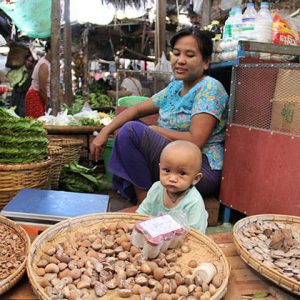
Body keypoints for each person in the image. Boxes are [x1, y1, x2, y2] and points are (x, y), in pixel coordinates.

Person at [91, 27, 229, 205]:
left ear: (206, 62)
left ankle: (146, 205)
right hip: (173, 161)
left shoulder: (210, 88)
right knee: (130, 125)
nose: (180, 61)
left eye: (189, 55)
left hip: (198, 170)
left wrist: (156, 130)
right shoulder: (176, 87)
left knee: (132, 131)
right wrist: (104, 132)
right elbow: (136, 110)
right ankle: (149, 201)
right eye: (177, 53)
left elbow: (196, 140)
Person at [137, 140, 208, 232]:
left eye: (182, 173)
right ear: (159, 168)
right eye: (166, 170)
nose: (172, 178)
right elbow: (142, 213)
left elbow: (195, 234)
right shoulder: (156, 188)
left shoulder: (193, 202)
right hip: (155, 236)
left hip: (183, 240)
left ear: (195, 179)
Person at [25, 41, 51, 118]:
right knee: (38, 124)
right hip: (36, 97)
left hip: (40, 96)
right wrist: (47, 103)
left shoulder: (49, 63)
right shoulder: (44, 64)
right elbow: (42, 87)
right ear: (49, 50)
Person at [9, 53, 36, 117]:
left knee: (21, 114)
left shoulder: (31, 72)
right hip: (16, 95)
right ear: (25, 60)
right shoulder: (19, 69)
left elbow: (25, 87)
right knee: (13, 113)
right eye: (28, 60)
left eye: (31, 61)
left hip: (24, 96)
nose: (29, 62)